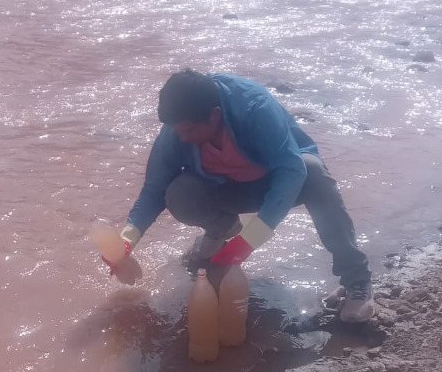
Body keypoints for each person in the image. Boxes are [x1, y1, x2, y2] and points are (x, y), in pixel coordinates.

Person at [101, 68, 375, 324]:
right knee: (178, 193)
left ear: (215, 115)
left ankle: (357, 281)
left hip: (281, 184)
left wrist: (249, 240)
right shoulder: (176, 132)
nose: (181, 137)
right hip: (227, 188)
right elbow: (153, 190)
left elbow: (291, 171)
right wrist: (127, 240)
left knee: (314, 172)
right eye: (177, 130)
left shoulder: (255, 108)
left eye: (188, 131)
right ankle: (222, 228)